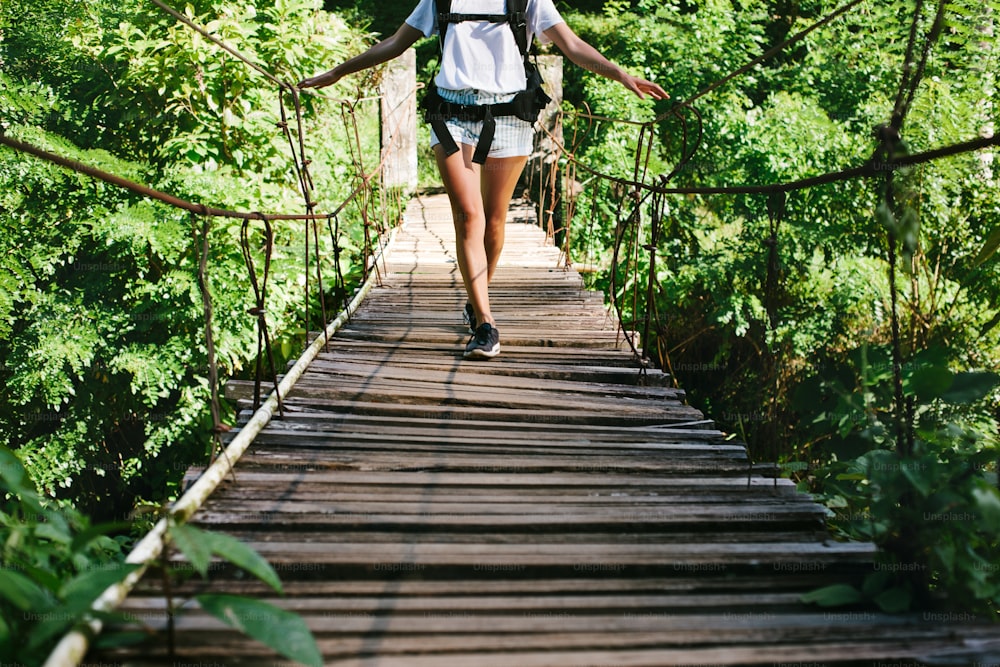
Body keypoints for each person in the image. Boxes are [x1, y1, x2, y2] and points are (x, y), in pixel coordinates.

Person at [298, 0, 667, 360]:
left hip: (509, 115)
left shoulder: (528, 1)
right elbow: (396, 43)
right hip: (450, 114)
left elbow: (571, 46)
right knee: (469, 216)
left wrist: (620, 74)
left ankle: (477, 302)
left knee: (494, 220)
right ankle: (486, 325)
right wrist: (339, 72)